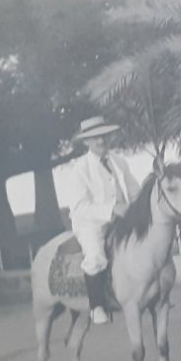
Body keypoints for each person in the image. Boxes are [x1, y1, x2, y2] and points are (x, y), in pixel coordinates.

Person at [68, 115, 139, 325]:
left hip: (123, 216)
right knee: (96, 255)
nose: (101, 141)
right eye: (95, 138)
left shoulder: (119, 161)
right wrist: (112, 209)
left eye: (103, 136)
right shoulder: (79, 169)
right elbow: (80, 207)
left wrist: (139, 206)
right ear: (87, 142)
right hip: (92, 222)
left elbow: (134, 191)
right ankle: (97, 305)